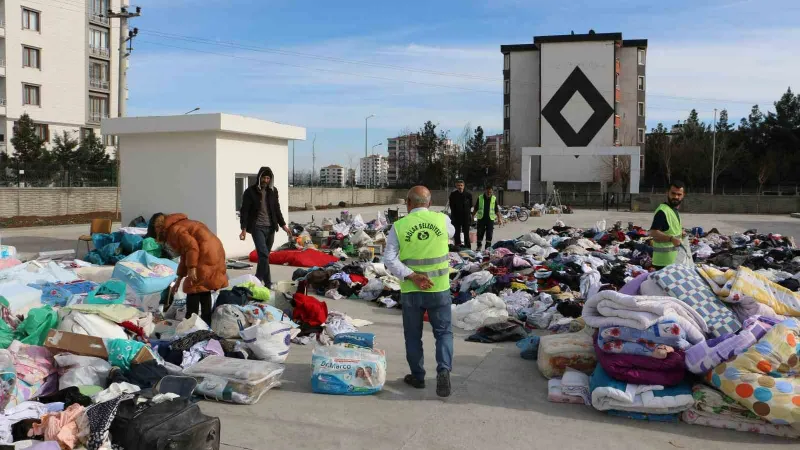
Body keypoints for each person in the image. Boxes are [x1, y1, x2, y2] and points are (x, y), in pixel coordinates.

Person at [384, 186, 455, 397]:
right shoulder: (442, 220)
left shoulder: (398, 226)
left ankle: (418, 376)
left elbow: (389, 259)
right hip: (439, 288)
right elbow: (450, 234)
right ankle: (443, 370)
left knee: (413, 336)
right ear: (430, 203)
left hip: (412, 290)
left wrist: (412, 275)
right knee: (443, 333)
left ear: (408, 203)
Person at [149, 213, 228, 325]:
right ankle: (206, 321)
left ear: (158, 228)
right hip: (214, 249)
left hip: (205, 251)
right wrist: (179, 278)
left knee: (192, 286)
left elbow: (192, 247)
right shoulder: (177, 225)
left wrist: (192, 268)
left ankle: (190, 320)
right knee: (203, 286)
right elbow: (185, 254)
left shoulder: (174, 230)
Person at [239, 167, 292, 286]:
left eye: (268, 178)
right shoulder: (250, 192)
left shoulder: (273, 191)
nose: (266, 180)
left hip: (271, 228)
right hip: (257, 227)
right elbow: (245, 211)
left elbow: (277, 210)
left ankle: (267, 283)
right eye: (264, 177)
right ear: (259, 177)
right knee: (263, 254)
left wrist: (283, 226)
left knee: (265, 257)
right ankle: (258, 279)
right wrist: (243, 229)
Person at [649, 180, 686, 269]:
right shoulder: (662, 211)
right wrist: (671, 239)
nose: (676, 197)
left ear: (683, 195)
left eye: (679, 194)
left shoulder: (674, 210)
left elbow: (670, 230)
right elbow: (653, 232)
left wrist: (681, 233)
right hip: (663, 263)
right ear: (667, 193)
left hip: (673, 261)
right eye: (673, 193)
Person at [472, 185, 503, 251]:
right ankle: (479, 246)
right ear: (485, 191)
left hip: (490, 219)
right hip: (481, 219)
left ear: (492, 192)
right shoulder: (480, 198)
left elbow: (496, 209)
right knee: (480, 233)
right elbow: (476, 208)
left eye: (490, 192)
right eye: (488, 192)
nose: (489, 193)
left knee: (489, 234)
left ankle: (487, 248)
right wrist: (472, 216)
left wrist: (499, 218)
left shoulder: (494, 198)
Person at [448, 180, 473, 249]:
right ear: (456, 186)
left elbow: (470, 205)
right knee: (457, 233)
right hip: (456, 217)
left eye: (461, 185)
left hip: (466, 217)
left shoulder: (468, 194)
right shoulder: (453, 195)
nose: (460, 187)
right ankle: (457, 246)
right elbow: (451, 206)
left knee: (466, 234)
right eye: (458, 185)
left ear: (464, 186)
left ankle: (468, 247)